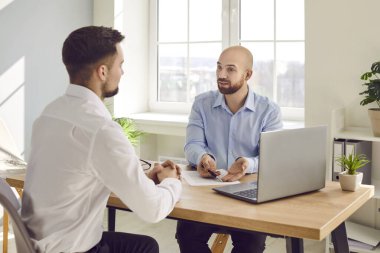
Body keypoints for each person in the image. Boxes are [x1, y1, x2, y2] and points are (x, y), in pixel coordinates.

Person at [21, 26, 182, 253]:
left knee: (145, 245)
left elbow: (75, 177)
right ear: (103, 72)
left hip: (36, 244)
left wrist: (141, 178)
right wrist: (171, 181)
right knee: (146, 248)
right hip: (72, 248)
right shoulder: (101, 129)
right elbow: (153, 209)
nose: (123, 73)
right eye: (121, 65)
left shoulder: (49, 114)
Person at [176, 45, 282, 253]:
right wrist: (203, 157)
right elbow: (192, 145)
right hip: (206, 192)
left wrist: (248, 163)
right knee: (186, 235)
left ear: (248, 74)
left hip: (247, 195)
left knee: (251, 245)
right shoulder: (201, 104)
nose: (221, 74)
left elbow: (273, 158)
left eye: (230, 69)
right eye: (219, 67)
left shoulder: (268, 110)